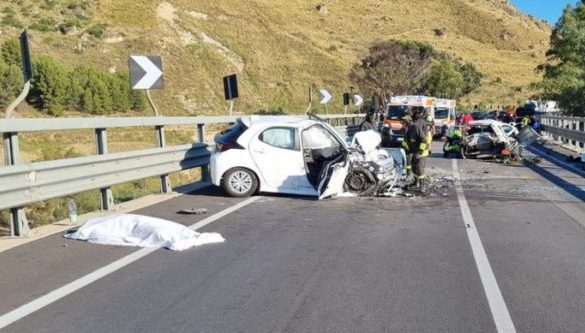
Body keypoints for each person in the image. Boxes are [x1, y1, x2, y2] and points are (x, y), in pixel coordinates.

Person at [404, 106, 431, 193]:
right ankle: (416, 183)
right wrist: (407, 148)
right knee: (415, 168)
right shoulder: (412, 125)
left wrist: (420, 152)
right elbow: (407, 139)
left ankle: (422, 185)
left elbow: (424, 140)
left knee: (419, 169)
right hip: (414, 151)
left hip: (421, 152)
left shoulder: (417, 125)